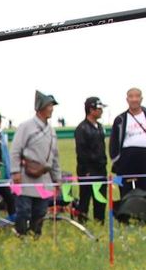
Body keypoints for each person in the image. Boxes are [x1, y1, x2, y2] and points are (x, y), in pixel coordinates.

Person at [11, 91, 63, 236]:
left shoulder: (52, 131)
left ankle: (36, 235)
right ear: (41, 107)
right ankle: (21, 234)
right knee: (24, 210)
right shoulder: (25, 127)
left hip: (44, 178)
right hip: (25, 177)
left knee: (40, 211)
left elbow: (55, 157)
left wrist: (57, 179)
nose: (51, 109)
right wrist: (15, 172)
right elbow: (15, 150)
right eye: (49, 105)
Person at [108, 87, 146, 213]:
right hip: (127, 161)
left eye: (137, 96)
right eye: (131, 97)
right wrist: (117, 161)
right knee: (126, 191)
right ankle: (126, 216)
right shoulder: (120, 120)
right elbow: (114, 142)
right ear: (127, 99)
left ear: (141, 99)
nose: (134, 99)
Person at [72, 96, 109, 224]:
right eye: (99, 108)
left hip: (101, 170)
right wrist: (86, 170)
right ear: (91, 109)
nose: (101, 111)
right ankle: (82, 223)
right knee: (85, 200)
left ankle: (100, 222)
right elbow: (81, 152)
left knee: (101, 199)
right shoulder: (81, 129)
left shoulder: (100, 127)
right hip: (87, 172)